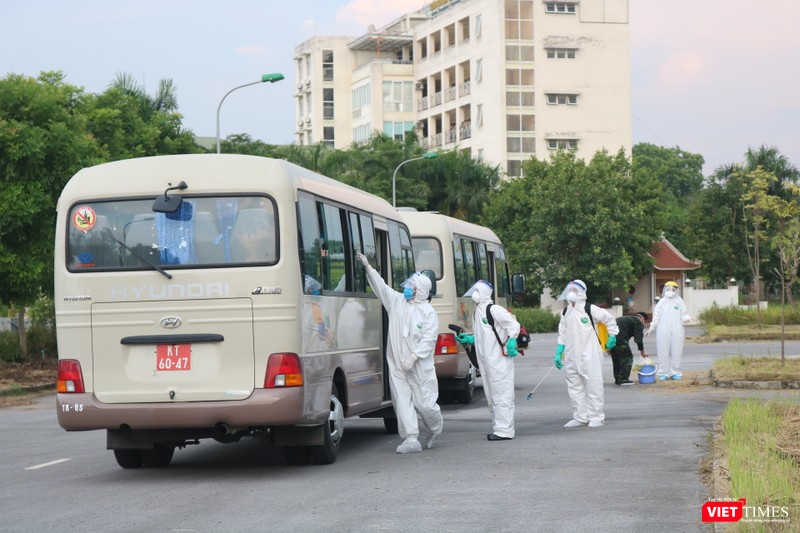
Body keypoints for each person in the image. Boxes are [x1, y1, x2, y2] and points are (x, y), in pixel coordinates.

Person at [356, 252, 443, 453]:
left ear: (420, 290)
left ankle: (435, 428)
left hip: (419, 366)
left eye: (412, 286)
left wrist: (413, 357)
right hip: (396, 363)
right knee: (402, 399)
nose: (407, 289)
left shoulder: (428, 313)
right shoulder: (397, 302)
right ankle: (411, 438)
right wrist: (369, 268)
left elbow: (429, 339)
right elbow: (382, 288)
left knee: (425, 405)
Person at [456, 280, 521, 441]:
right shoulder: (477, 312)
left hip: (499, 360)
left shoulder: (495, 310)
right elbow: (484, 334)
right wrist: (471, 339)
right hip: (486, 361)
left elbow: (513, 325)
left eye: (477, 290)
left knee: (502, 394)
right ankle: (498, 427)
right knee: (492, 395)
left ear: (484, 292)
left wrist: (512, 339)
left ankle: (505, 430)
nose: (474, 294)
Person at [553, 280, 619, 428]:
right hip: (571, 355)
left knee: (593, 385)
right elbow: (562, 333)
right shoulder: (566, 311)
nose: (571, 293)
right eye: (569, 290)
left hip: (590, 353)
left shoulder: (590, 309)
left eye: (574, 290)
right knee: (574, 387)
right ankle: (580, 417)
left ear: (581, 293)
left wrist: (612, 336)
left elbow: (609, 320)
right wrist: (559, 351)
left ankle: (596, 417)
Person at [647, 281, 691, 380]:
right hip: (663, 330)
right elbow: (656, 318)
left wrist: (687, 318)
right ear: (664, 289)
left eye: (673, 289)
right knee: (662, 350)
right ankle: (663, 372)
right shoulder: (661, 303)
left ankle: (675, 372)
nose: (671, 291)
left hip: (677, 329)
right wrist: (651, 328)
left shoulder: (680, 302)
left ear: (676, 290)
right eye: (668, 289)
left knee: (677, 351)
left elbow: (684, 314)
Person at [609, 312, 649, 386]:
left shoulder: (625, 318)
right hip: (621, 341)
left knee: (617, 359)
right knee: (627, 358)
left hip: (611, 340)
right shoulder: (638, 322)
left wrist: (608, 346)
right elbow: (638, 339)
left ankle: (618, 379)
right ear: (643, 319)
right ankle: (623, 380)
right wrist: (642, 351)